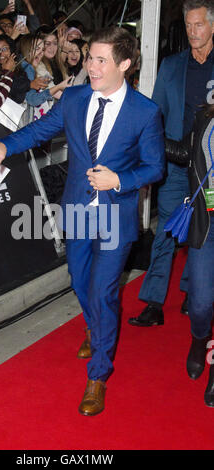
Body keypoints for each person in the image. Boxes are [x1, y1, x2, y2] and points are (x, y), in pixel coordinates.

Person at [0, 26, 165, 416]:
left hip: (116, 217)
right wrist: (1, 145)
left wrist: (120, 179)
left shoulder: (145, 112)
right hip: (77, 211)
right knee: (79, 281)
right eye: (90, 58)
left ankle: (98, 375)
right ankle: (94, 328)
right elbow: (39, 130)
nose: (91, 68)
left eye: (100, 60)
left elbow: (155, 168)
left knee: (103, 292)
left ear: (125, 65)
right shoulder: (76, 98)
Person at [129, 0, 214, 327]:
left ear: (211, 26)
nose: (193, 32)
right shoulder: (172, 65)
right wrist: (150, 158)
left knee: (204, 230)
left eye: (199, 25)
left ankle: (195, 291)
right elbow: (155, 113)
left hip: (210, 170)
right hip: (177, 163)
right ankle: (153, 302)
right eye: (189, 26)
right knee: (165, 229)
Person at [165, 104, 214, 407]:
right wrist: (149, 134)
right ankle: (199, 339)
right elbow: (185, 153)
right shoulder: (204, 116)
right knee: (199, 303)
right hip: (207, 223)